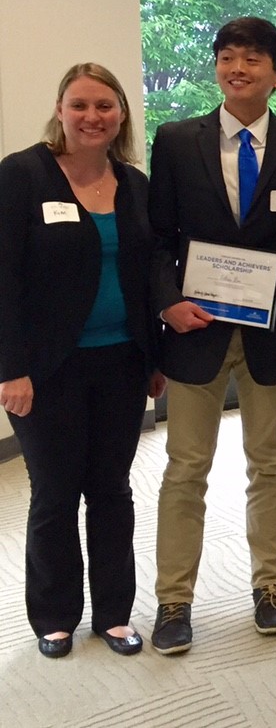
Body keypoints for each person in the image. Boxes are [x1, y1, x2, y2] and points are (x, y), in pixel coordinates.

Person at [149, 16, 276, 654]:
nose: (237, 68)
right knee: (185, 467)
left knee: (270, 464)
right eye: (227, 56)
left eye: (253, 59)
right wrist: (167, 304)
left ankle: (270, 586)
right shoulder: (174, 140)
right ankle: (174, 600)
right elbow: (157, 241)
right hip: (195, 332)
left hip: (273, 336)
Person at [0, 64, 165, 658]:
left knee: (112, 489)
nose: (92, 117)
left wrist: (153, 354)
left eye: (105, 106)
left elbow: (146, 276)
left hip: (122, 360)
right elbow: (5, 277)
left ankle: (115, 614)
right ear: (60, 109)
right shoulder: (22, 175)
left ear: (121, 113)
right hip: (46, 369)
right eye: (80, 105)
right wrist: (9, 367)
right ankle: (54, 615)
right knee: (54, 492)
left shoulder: (135, 183)